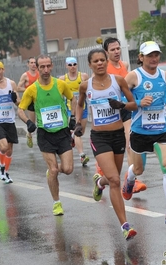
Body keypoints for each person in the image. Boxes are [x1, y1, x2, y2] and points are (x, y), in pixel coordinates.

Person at [74, 48, 137, 240]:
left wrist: (122, 106)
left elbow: (134, 104)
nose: (100, 63)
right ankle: (125, 226)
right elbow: (80, 104)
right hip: (99, 138)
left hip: (117, 135)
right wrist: (78, 123)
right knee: (116, 180)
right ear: (90, 64)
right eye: (96, 61)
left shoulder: (118, 81)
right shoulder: (85, 86)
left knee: (112, 179)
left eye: (102, 60)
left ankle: (99, 183)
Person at [123, 41, 166, 224]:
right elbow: (121, 101)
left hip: (161, 128)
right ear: (141, 58)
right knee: (139, 169)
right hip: (140, 131)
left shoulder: (163, 75)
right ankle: (130, 178)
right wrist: (139, 103)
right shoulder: (133, 77)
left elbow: (165, 96)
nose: (154, 58)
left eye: (156, 54)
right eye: (149, 55)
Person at [17, 54, 76, 216]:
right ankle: (57, 203)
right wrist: (28, 122)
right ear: (36, 67)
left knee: (68, 169)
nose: (45, 70)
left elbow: (73, 99)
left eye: (48, 66)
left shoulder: (61, 85)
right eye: (41, 66)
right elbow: (20, 109)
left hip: (63, 132)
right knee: (54, 169)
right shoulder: (32, 89)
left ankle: (52, 172)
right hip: (45, 134)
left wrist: (73, 117)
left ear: (52, 66)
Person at [99, 37, 147, 193]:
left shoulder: (125, 65)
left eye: (118, 48)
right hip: (110, 111)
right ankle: (100, 167)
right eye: (112, 49)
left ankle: (132, 179)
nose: (116, 51)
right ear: (106, 52)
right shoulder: (103, 68)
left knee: (129, 142)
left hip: (125, 108)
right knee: (112, 146)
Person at [58, 57, 90, 166]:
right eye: (70, 65)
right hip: (70, 109)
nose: (72, 67)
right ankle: (82, 155)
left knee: (81, 132)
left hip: (83, 108)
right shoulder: (63, 79)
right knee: (78, 132)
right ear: (66, 66)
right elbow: (60, 94)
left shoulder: (83, 76)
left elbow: (89, 90)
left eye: (74, 64)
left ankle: (72, 138)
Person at [17, 57, 39, 148]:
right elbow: (18, 88)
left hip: (39, 99)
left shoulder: (40, 73)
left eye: (35, 62)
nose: (33, 64)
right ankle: (29, 134)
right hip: (30, 101)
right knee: (32, 122)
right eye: (31, 63)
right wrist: (29, 90)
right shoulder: (25, 75)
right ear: (28, 64)